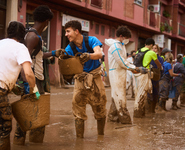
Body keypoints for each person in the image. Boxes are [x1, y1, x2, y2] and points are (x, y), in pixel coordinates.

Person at [13, 5, 60, 145]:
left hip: (34, 79)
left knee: (32, 108)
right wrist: (28, 86)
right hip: (32, 80)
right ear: (47, 21)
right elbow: (25, 60)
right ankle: (27, 141)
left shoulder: (33, 35)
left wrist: (53, 53)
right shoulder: (33, 36)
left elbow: (37, 55)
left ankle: (22, 141)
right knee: (36, 109)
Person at [64, 20, 107, 138]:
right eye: (65, 32)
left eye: (68, 31)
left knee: (100, 107)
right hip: (80, 79)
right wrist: (61, 58)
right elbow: (67, 66)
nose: (66, 34)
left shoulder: (91, 40)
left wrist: (88, 56)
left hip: (95, 77)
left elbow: (99, 54)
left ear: (76, 31)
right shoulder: (69, 48)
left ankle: (100, 136)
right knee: (77, 109)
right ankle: (79, 139)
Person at [0, 21, 36, 150]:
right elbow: (28, 74)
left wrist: (12, 86)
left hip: (3, 87)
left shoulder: (0, 43)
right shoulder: (20, 48)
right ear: (22, 36)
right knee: (4, 127)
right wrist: (34, 90)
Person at [105, 26, 148, 124]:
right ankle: (125, 120)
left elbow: (124, 62)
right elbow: (122, 62)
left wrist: (134, 68)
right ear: (121, 36)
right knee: (120, 96)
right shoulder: (115, 47)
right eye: (127, 38)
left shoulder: (121, 46)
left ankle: (112, 118)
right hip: (116, 73)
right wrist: (136, 68)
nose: (127, 40)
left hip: (121, 72)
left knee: (116, 95)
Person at [133, 38, 161, 118]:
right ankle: (138, 114)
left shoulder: (138, 51)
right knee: (142, 93)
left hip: (136, 73)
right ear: (152, 45)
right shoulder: (151, 52)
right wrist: (160, 67)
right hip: (144, 74)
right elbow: (158, 64)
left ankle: (138, 112)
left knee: (137, 92)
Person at [146, 44, 164, 113]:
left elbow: (162, 69)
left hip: (156, 78)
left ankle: (153, 109)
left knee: (155, 93)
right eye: (153, 48)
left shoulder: (160, 59)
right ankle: (147, 109)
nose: (154, 50)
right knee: (148, 93)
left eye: (155, 48)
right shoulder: (148, 57)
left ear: (158, 50)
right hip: (148, 77)